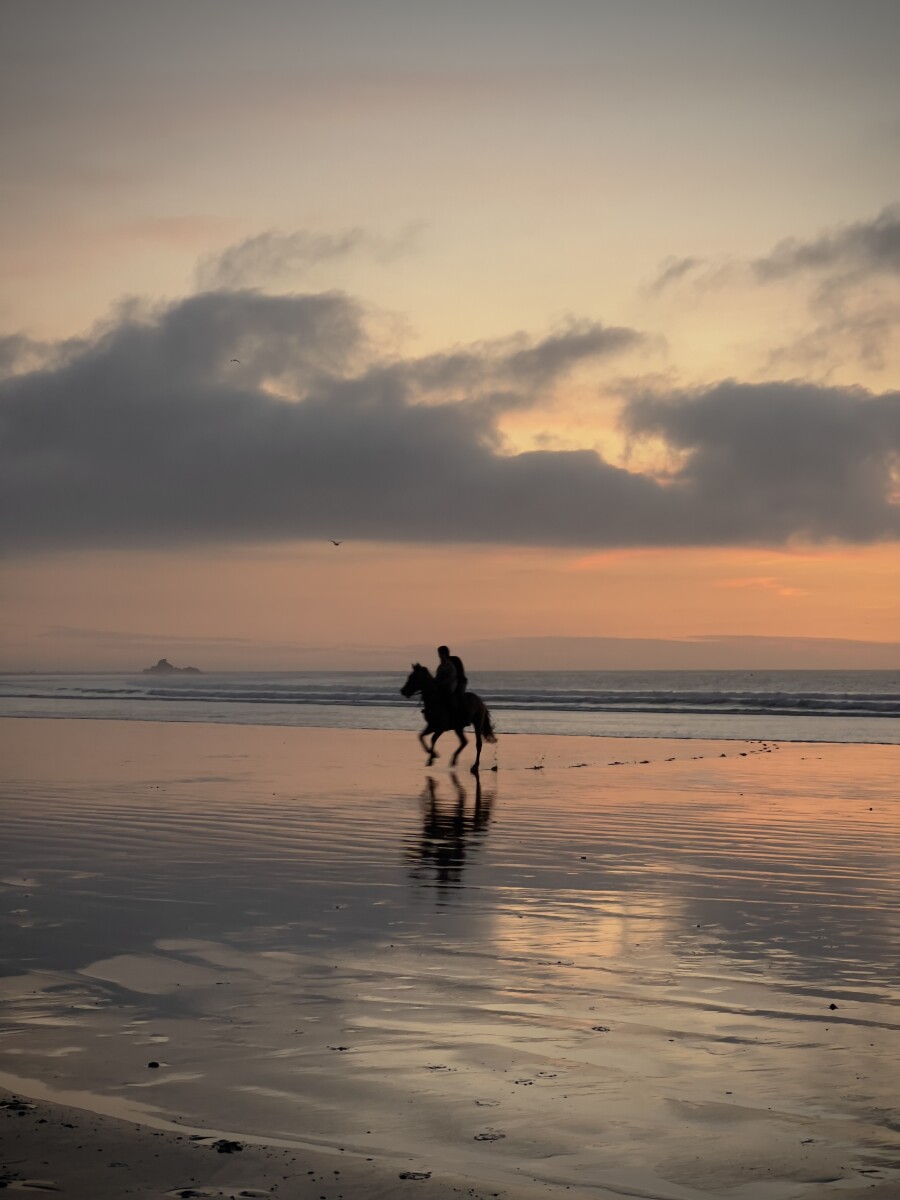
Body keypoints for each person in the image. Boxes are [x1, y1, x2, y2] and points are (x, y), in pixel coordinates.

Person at [436, 645, 468, 718]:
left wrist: (445, 683)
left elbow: (453, 676)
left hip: (460, 682)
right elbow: (438, 677)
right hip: (449, 683)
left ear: (444, 654)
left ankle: (463, 715)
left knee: (459, 696)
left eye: (440, 654)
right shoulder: (441, 665)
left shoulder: (452, 662)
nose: (439, 656)